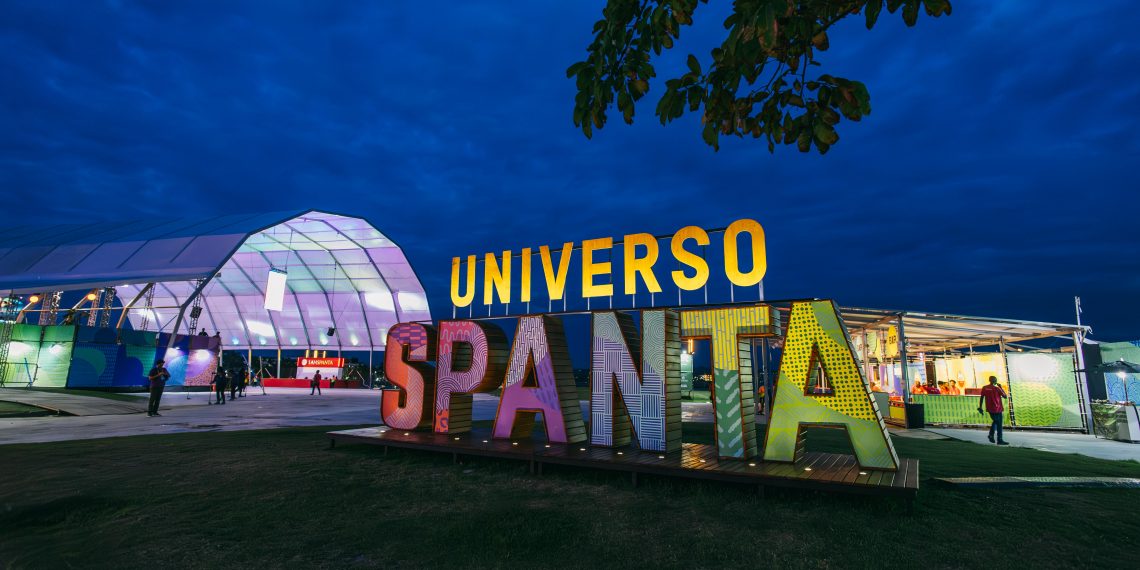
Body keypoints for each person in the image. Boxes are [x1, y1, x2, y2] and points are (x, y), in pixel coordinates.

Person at [978, 375, 1009, 445]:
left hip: (990, 408)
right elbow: (1005, 396)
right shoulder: (997, 388)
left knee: (996, 421)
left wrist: (980, 407)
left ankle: (993, 436)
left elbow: (981, 398)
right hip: (998, 408)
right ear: (995, 381)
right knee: (999, 424)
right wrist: (1001, 387)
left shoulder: (985, 388)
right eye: (995, 380)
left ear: (989, 380)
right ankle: (997, 438)